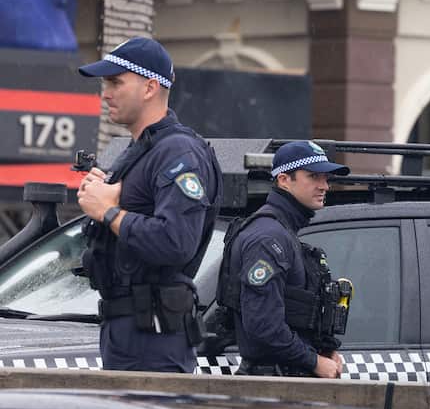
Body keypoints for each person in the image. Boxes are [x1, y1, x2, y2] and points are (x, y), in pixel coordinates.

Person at [75, 37, 222, 373]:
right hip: (127, 328)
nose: (106, 93)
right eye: (104, 83)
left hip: (153, 337)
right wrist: (103, 195)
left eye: (115, 82)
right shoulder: (142, 150)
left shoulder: (178, 153)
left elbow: (176, 242)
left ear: (150, 87)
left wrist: (110, 212)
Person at [215, 140, 352, 378]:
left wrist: (323, 352)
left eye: (326, 178)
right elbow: (264, 327)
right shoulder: (268, 238)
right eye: (313, 176)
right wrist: (314, 362)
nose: (325, 186)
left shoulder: (282, 232)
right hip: (272, 384)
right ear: (284, 180)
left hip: (283, 379)